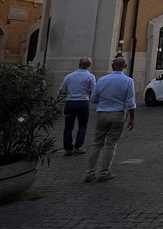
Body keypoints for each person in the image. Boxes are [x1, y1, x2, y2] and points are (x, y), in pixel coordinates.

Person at [85, 56, 136, 184]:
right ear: (125, 67)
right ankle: (103, 172)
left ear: (112, 66)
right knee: (111, 144)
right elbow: (130, 102)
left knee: (97, 143)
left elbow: (93, 99)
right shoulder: (128, 81)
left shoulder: (102, 80)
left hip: (102, 113)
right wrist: (132, 118)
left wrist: (103, 102)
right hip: (118, 114)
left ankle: (90, 173)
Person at [58, 57, 96, 156]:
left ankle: (67, 148)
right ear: (89, 66)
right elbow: (93, 90)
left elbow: (62, 89)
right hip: (83, 102)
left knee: (68, 126)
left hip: (70, 101)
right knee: (82, 125)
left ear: (79, 64)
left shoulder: (69, 76)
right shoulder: (90, 76)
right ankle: (78, 146)